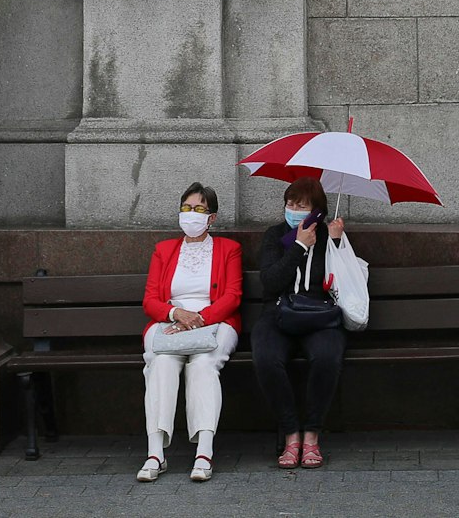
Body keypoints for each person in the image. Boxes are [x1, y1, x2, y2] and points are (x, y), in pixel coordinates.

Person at [137, 182, 243, 483]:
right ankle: (155, 454)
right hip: (169, 322)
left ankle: (204, 452)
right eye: (186, 208)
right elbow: (151, 299)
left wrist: (199, 318)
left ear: (212, 217)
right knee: (160, 364)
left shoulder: (229, 250)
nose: (190, 214)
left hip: (216, 323)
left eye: (198, 209)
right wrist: (176, 314)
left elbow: (232, 296)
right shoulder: (164, 250)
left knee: (204, 365)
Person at [253, 176, 349, 469]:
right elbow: (270, 281)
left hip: (319, 314)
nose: (293, 208)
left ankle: (311, 434)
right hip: (278, 312)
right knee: (267, 357)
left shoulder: (329, 236)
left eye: (301, 205)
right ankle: (291, 433)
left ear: (316, 211)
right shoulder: (275, 235)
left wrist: (336, 244)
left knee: (327, 357)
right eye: (290, 203)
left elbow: (341, 284)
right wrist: (297, 247)